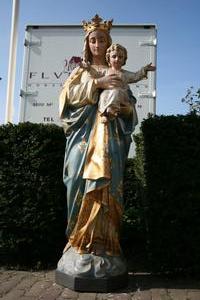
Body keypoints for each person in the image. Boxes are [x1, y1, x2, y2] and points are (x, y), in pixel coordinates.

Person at [57, 14, 156, 279]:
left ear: (109, 44)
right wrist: (97, 84)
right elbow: (66, 100)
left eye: (102, 39)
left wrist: (122, 108)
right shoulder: (82, 72)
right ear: (87, 44)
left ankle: (107, 244)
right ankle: (78, 242)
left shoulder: (121, 74)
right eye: (93, 40)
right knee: (76, 180)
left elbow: (130, 109)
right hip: (83, 140)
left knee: (109, 184)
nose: (97, 44)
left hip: (110, 140)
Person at [98, 43, 156, 123]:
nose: (117, 59)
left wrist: (144, 69)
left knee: (116, 92)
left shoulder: (125, 74)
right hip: (107, 94)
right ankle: (105, 113)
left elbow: (136, 76)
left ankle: (111, 111)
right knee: (103, 95)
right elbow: (95, 75)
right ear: (108, 58)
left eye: (120, 57)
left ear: (124, 59)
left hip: (121, 95)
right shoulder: (105, 71)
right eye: (114, 56)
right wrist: (87, 69)